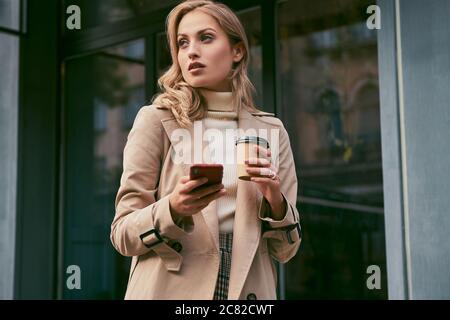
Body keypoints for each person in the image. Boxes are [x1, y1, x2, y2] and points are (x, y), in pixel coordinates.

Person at [110, 0, 301, 300]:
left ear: (237, 51)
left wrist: (274, 199)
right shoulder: (157, 120)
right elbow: (122, 234)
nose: (191, 52)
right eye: (182, 43)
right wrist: (174, 207)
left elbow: (285, 250)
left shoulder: (271, 131)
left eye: (206, 38)